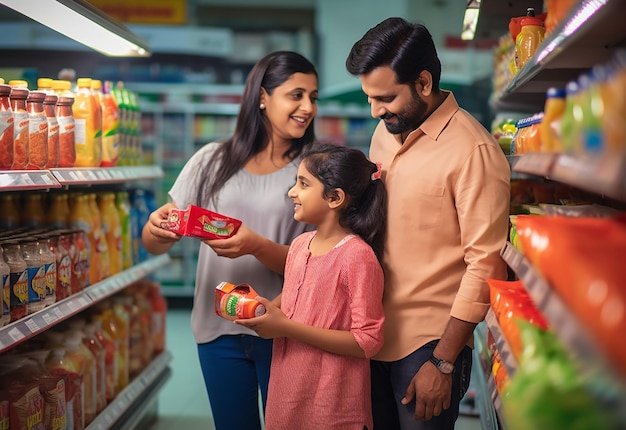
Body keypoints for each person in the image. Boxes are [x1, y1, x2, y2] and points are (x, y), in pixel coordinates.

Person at [346, 17, 511, 430]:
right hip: (372, 333)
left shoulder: (473, 151)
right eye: (369, 98)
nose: (375, 110)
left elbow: (485, 265)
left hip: (427, 348)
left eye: (384, 98)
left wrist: (443, 361)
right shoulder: (385, 134)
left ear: (423, 82)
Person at [141, 51, 319, 430]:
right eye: (296, 94)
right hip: (217, 328)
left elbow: (318, 266)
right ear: (262, 97)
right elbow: (155, 244)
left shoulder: (314, 170)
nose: (307, 107)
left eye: (313, 97)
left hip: (285, 326)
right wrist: (156, 228)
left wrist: (256, 245)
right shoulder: (211, 160)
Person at [236, 143, 387, 430]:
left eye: (303, 184)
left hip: (331, 405)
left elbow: (367, 341)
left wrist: (286, 328)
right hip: (287, 394)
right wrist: (263, 309)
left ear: (334, 198)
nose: (292, 192)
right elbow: (295, 294)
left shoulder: (357, 256)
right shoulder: (300, 244)